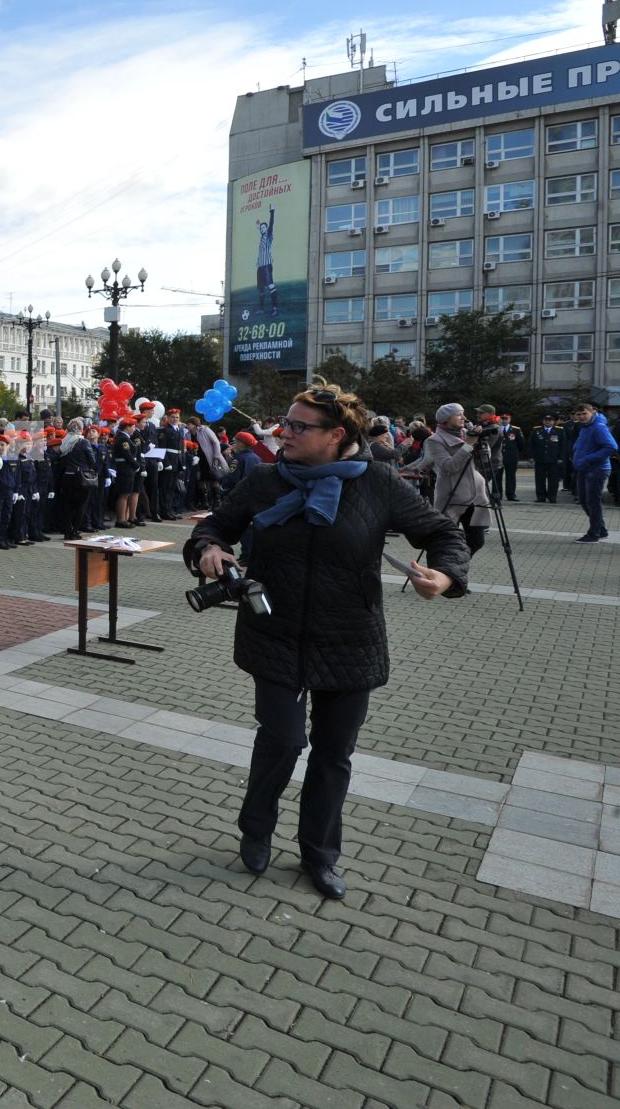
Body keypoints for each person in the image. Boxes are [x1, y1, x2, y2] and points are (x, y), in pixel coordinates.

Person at [187, 383, 468, 900]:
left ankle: (320, 853)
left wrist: (446, 577)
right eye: (284, 423)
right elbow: (212, 528)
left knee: (333, 754)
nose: (283, 432)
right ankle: (256, 829)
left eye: (298, 426)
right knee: (282, 741)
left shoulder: (379, 483)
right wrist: (209, 549)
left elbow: (444, 534)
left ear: (337, 435)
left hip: (349, 639)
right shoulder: (268, 480)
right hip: (273, 632)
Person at [422, 403, 490, 554]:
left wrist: (482, 443)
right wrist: (468, 445)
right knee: (447, 541)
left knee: (477, 541)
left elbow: (485, 461)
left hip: (476, 495)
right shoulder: (435, 440)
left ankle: (456, 567)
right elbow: (448, 467)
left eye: (463, 414)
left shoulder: (468, 433)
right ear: (446, 419)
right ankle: (448, 571)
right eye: (459, 414)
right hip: (452, 496)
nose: (464, 418)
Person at [569, 402, 615, 542]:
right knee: (584, 500)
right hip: (584, 468)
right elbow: (582, 443)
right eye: (579, 414)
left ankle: (594, 533)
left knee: (592, 502)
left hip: (596, 469)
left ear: (592, 413)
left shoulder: (598, 427)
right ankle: (600, 529)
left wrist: (588, 459)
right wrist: (576, 453)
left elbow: (611, 447)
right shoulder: (585, 427)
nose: (582, 417)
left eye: (585, 414)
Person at [53, 418, 95, 540]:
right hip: (80, 477)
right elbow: (92, 460)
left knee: (68, 505)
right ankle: (75, 531)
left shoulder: (64, 441)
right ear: (81, 429)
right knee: (80, 505)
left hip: (67, 476)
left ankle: (67, 530)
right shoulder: (83, 442)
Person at [530, 413, 569, 504]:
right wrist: (531, 456)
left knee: (553, 480)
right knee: (539, 479)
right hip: (540, 459)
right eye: (545, 420)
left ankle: (552, 497)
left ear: (554, 421)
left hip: (554, 459)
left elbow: (563, 446)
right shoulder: (536, 430)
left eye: (550, 420)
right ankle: (541, 496)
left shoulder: (559, 431)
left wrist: (561, 458)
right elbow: (532, 445)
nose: (547, 422)